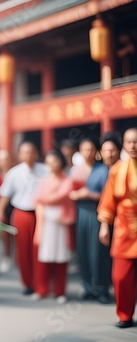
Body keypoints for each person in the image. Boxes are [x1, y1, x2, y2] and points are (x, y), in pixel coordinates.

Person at [69, 132, 122, 303]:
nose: (88, 152)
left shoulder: (110, 169)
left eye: (91, 149)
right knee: (83, 251)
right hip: (82, 213)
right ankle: (87, 286)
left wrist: (88, 194)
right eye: (84, 149)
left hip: (98, 214)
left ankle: (102, 289)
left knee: (99, 253)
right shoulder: (86, 169)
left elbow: (109, 195)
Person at [0, 141, 49, 295]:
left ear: (36, 153)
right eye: (24, 152)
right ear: (19, 155)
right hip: (21, 214)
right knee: (23, 251)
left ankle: (41, 284)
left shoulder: (45, 170)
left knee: (40, 249)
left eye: (31, 152)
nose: (28, 155)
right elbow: (4, 195)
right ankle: (28, 284)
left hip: (41, 215)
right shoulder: (14, 173)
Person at [98, 127, 137, 329]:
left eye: (136, 141)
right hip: (124, 228)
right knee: (121, 276)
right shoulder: (117, 169)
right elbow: (108, 200)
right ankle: (125, 315)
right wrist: (105, 224)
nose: (133, 146)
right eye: (129, 142)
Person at [32, 150, 74, 304]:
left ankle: (60, 291)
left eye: (54, 161)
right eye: (48, 162)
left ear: (61, 161)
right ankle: (41, 289)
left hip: (61, 223)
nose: (50, 165)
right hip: (46, 222)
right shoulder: (44, 180)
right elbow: (36, 200)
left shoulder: (67, 180)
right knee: (44, 257)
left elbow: (62, 195)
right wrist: (44, 201)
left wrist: (45, 199)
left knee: (60, 257)